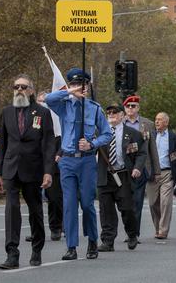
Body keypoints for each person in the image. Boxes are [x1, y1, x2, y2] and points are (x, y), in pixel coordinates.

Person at [45, 68, 112, 260]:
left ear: (88, 87)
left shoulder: (95, 108)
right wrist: (69, 92)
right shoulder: (64, 105)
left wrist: (92, 143)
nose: (78, 88)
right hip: (67, 160)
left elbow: (107, 134)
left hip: (87, 161)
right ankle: (71, 246)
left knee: (88, 203)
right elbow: (49, 99)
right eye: (74, 84)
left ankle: (92, 240)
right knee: (69, 204)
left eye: (81, 85)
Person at [0, 74, 56, 269]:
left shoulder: (42, 113)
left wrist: (48, 171)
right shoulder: (6, 112)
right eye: (16, 87)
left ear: (31, 90)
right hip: (11, 168)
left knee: (35, 211)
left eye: (23, 87)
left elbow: (48, 144)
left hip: (34, 168)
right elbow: (3, 143)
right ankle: (12, 253)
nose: (19, 90)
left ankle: (37, 249)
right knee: (11, 210)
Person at [96, 103, 145, 251]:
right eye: (109, 112)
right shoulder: (99, 133)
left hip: (123, 174)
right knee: (106, 210)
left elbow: (141, 152)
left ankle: (132, 234)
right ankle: (108, 241)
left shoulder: (132, 133)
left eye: (115, 112)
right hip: (105, 175)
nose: (111, 114)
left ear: (122, 115)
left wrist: (137, 167)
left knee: (127, 208)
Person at [122, 95, 158, 242]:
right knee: (125, 203)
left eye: (133, 106)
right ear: (124, 108)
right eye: (128, 106)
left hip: (140, 167)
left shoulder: (147, 124)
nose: (131, 109)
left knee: (137, 201)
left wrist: (156, 170)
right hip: (122, 168)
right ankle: (128, 230)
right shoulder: (118, 122)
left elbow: (152, 148)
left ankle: (133, 234)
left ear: (138, 108)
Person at [146, 112, 176, 239]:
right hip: (152, 174)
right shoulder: (150, 136)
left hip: (168, 173)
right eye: (156, 119)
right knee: (152, 203)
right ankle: (157, 227)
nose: (157, 122)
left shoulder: (175, 138)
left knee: (165, 202)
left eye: (160, 120)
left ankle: (163, 230)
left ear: (166, 122)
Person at [37, 91, 64, 242]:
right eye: (40, 101)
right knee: (35, 201)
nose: (42, 104)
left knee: (54, 198)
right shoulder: (35, 119)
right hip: (35, 164)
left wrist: (59, 153)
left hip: (53, 165)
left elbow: (63, 141)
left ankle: (56, 227)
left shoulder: (57, 121)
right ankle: (37, 230)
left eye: (45, 101)